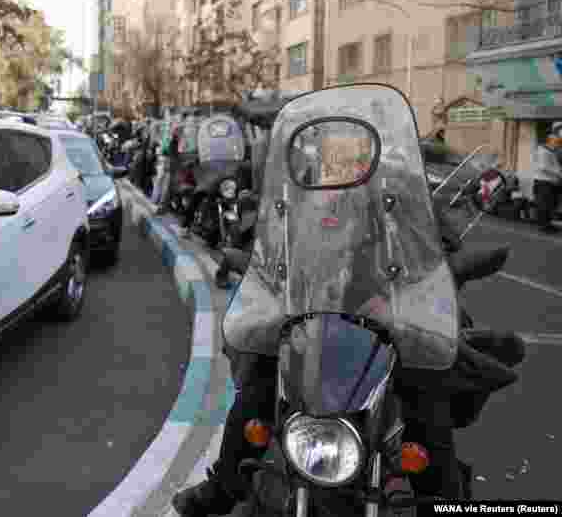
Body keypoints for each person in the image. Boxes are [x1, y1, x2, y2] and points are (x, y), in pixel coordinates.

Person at [172, 156, 521, 517]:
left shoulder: (412, 200)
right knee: (259, 384)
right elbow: (281, 252)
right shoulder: (312, 199)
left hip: (391, 331)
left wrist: (444, 274)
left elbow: (445, 253)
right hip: (319, 326)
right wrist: (264, 273)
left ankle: (445, 501)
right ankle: (223, 486)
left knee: (428, 403)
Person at [531, 122, 562, 234]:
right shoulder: (543, 150)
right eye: (556, 141)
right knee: (544, 205)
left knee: (550, 205)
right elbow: (543, 167)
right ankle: (543, 226)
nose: (558, 143)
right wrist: (559, 173)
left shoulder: (551, 152)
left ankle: (547, 224)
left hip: (551, 183)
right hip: (544, 182)